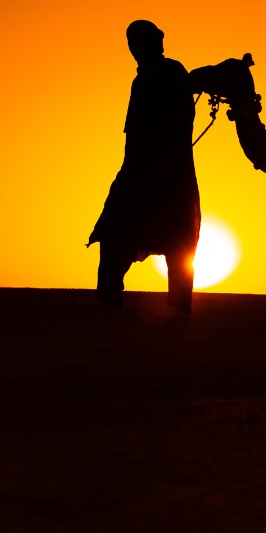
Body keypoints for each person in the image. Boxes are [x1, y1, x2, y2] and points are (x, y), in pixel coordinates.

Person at [86, 20, 200, 314]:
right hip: (138, 169)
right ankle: (108, 302)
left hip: (168, 172)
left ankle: (177, 309)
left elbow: (181, 119)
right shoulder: (144, 78)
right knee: (115, 235)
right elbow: (134, 132)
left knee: (177, 244)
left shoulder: (172, 73)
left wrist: (168, 158)